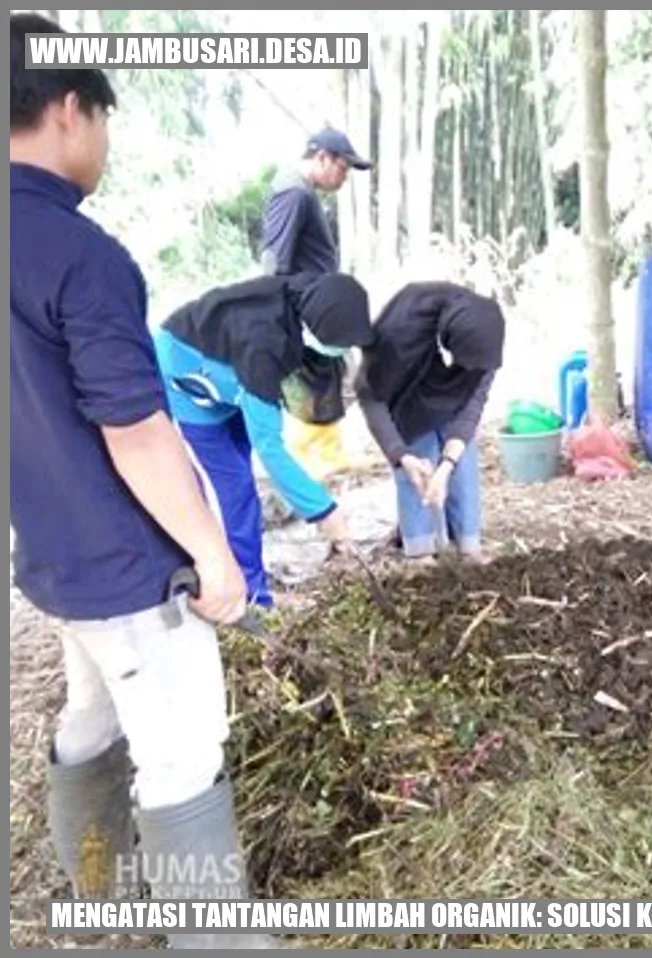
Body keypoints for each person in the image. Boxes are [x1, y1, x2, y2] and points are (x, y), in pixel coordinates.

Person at [10, 13, 272, 945]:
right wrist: (215, 557)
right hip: (129, 569)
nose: (105, 143)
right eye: (104, 120)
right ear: (69, 108)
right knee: (181, 757)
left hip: (52, 559)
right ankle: (216, 940)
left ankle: (94, 897)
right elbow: (135, 430)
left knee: (91, 717)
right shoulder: (79, 255)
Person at [153, 271, 374, 608]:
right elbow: (269, 448)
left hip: (230, 369)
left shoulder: (307, 296)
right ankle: (248, 593)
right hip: (187, 379)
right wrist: (325, 511)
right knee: (234, 486)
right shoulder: (263, 348)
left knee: (243, 466)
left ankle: (251, 581)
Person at [355, 281, 506, 564]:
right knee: (418, 471)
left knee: (461, 471)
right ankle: (420, 550)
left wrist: (448, 462)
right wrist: (400, 454)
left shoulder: (485, 331)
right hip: (408, 395)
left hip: (456, 398)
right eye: (468, 364)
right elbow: (371, 396)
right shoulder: (398, 332)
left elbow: (476, 396)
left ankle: (468, 545)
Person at [260, 126, 373, 479]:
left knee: (326, 376)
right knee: (307, 380)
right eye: (342, 167)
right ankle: (306, 461)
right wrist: (278, 313)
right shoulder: (293, 193)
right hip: (301, 307)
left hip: (316, 304)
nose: (344, 176)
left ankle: (328, 452)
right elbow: (274, 259)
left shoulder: (303, 192)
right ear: (322, 157)